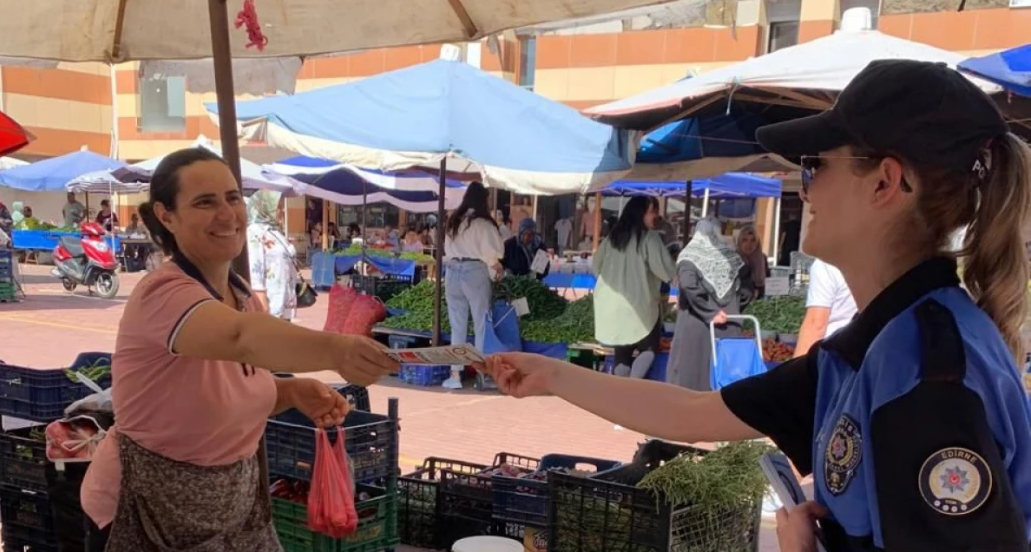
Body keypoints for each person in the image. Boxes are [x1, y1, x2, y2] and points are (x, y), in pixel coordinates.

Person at [479, 60, 1031, 552]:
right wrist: (550, 375)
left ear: (885, 182)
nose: (803, 188)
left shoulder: (927, 379)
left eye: (816, 165)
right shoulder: (874, 346)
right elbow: (695, 415)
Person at [80, 147, 398, 551]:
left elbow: (224, 391)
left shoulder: (240, 294)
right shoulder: (163, 293)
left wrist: (291, 391)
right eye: (205, 202)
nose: (227, 214)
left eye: (232, 198)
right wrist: (336, 351)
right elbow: (240, 338)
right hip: (146, 513)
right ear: (166, 216)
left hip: (235, 512)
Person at [592, 196, 675, 379]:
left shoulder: (611, 238)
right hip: (639, 305)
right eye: (652, 212)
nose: (656, 216)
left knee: (622, 351)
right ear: (640, 213)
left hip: (611, 305)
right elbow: (666, 271)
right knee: (649, 348)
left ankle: (621, 391)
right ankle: (634, 385)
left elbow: (595, 267)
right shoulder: (649, 238)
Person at [667, 217, 744, 391]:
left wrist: (709, 312)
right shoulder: (731, 257)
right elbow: (747, 289)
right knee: (722, 382)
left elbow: (688, 284)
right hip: (729, 324)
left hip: (695, 325)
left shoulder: (690, 256)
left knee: (692, 380)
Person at [442, 182, 504, 390]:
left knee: (457, 325)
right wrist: (497, 268)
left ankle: (454, 375)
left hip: (452, 272)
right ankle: (481, 373)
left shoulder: (453, 221)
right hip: (474, 272)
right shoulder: (483, 224)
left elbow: (446, 248)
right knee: (480, 323)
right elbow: (492, 254)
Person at [246, 192, 298, 321]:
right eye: (278, 208)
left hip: (285, 301)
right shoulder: (254, 231)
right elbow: (254, 266)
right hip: (270, 303)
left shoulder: (274, 231)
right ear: (265, 208)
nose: (283, 211)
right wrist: (260, 296)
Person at [795, 259, 857, 356]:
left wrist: (797, 368)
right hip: (865, 350)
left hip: (832, 353)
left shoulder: (826, 264)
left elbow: (816, 324)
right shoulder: (877, 259)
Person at [736, 224, 769, 305]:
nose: (749, 244)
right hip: (738, 303)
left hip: (759, 304)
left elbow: (767, 282)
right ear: (740, 241)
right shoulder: (734, 259)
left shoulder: (762, 259)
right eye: (745, 240)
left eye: (753, 240)